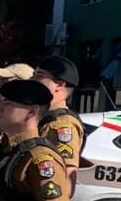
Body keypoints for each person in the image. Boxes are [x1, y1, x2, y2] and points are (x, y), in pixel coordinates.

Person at [34, 55, 86, 193]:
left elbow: (67, 181)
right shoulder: (43, 118)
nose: (33, 80)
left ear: (59, 84)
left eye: (39, 76)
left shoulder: (62, 124)